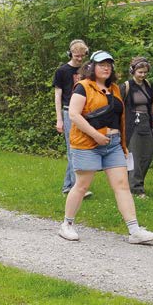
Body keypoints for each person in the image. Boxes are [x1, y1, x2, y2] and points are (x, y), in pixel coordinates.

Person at [59, 51, 153, 244]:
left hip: (113, 145)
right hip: (87, 144)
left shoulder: (114, 88)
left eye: (109, 65)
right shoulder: (83, 87)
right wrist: (96, 135)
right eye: (101, 64)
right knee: (82, 186)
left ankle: (134, 230)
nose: (106, 67)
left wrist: (122, 144)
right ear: (91, 67)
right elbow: (74, 115)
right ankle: (67, 225)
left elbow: (120, 119)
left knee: (122, 186)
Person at [54, 40, 92, 198]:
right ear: (70, 54)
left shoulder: (88, 70)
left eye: (82, 56)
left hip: (85, 113)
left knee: (82, 149)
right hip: (69, 112)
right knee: (73, 150)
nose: (79, 59)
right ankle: (72, 187)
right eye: (76, 56)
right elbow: (58, 95)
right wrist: (59, 119)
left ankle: (70, 186)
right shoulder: (62, 71)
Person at [122, 57, 153, 198]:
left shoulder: (149, 85)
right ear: (133, 71)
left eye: (145, 72)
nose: (143, 75)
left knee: (148, 153)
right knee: (135, 155)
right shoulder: (126, 86)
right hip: (132, 123)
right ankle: (137, 189)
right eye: (140, 72)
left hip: (146, 122)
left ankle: (132, 182)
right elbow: (119, 108)